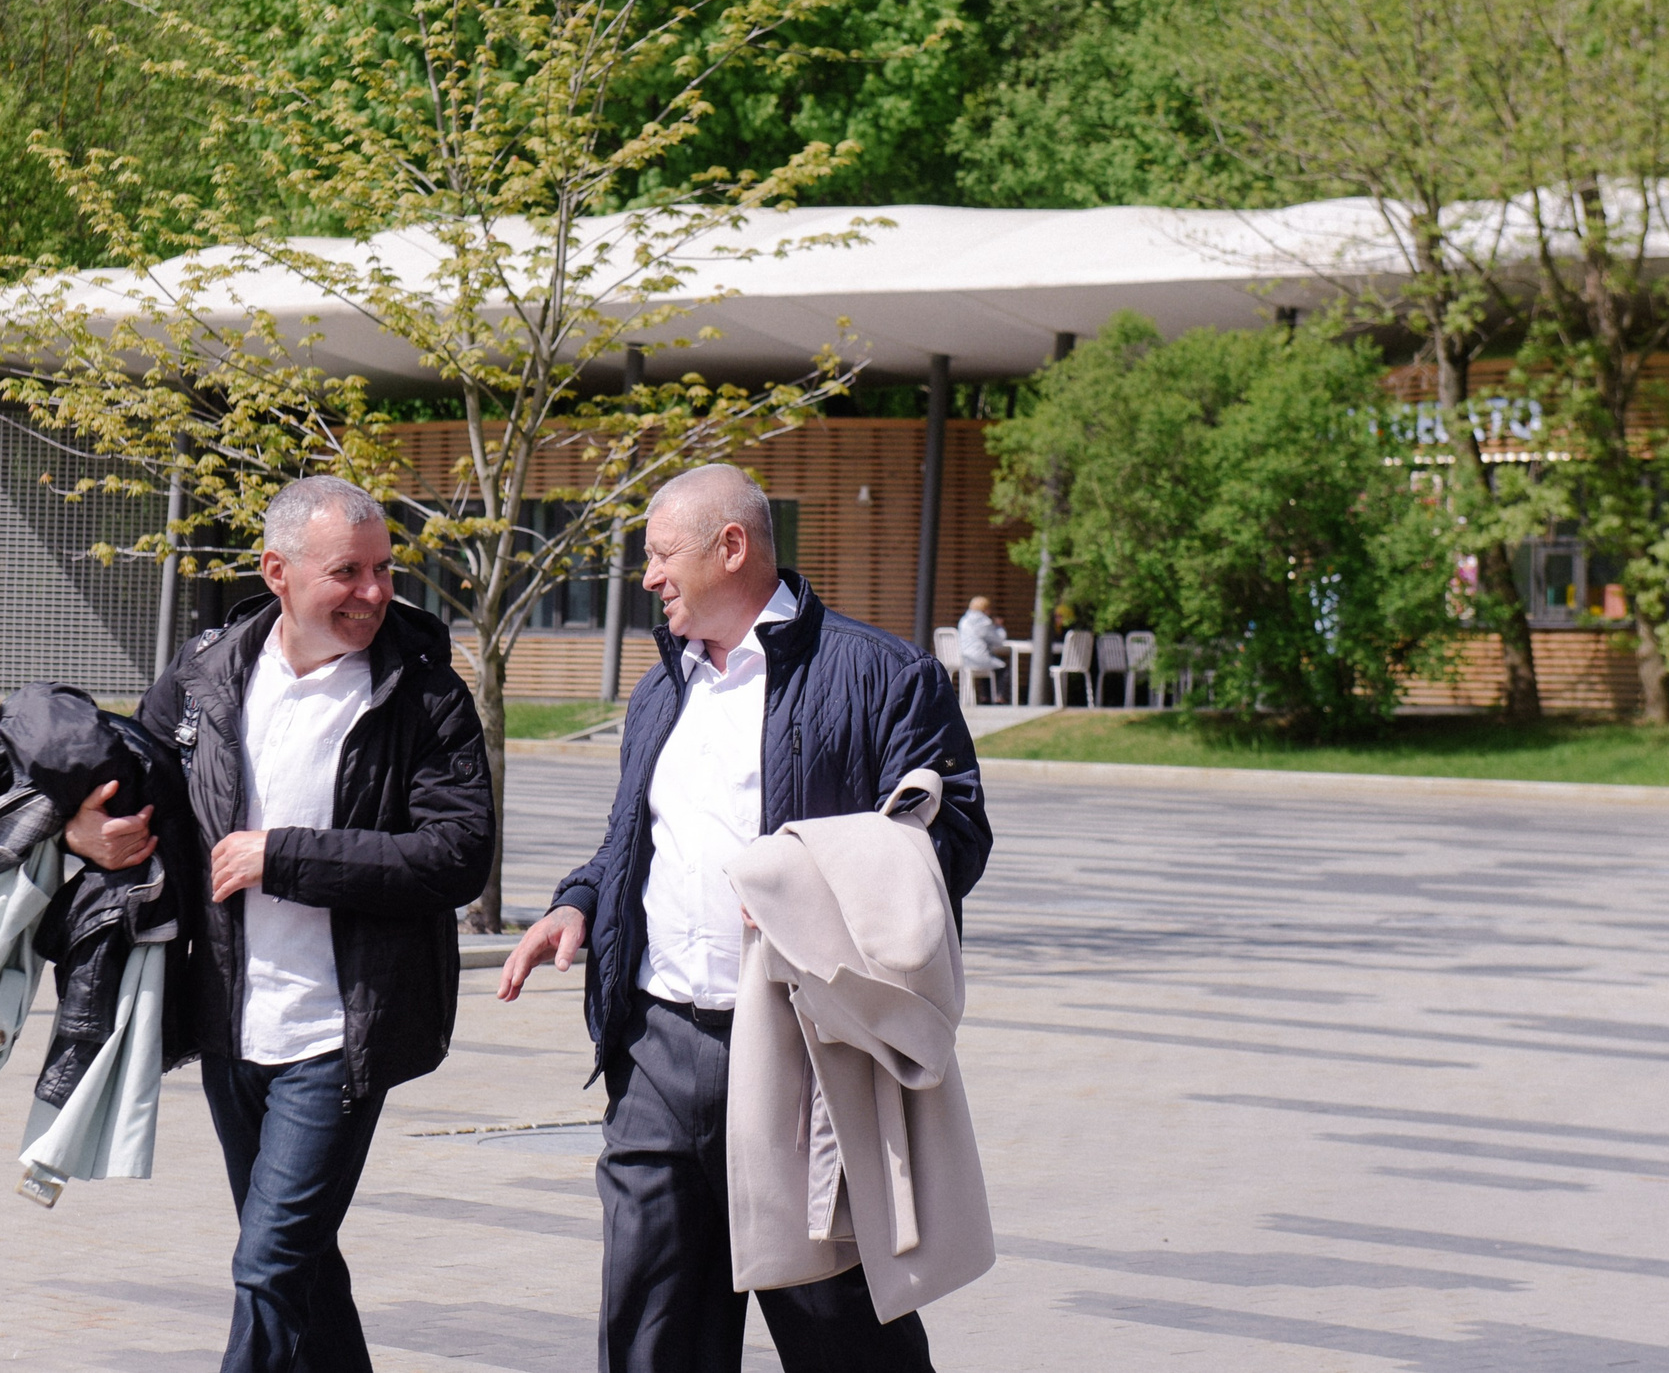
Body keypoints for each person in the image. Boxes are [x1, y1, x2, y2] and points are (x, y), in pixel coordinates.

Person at [497, 463, 993, 1373]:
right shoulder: (661, 690)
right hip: (657, 1047)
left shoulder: (882, 674)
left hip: (804, 1052)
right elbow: (629, 841)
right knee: (650, 1330)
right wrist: (577, 900)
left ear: (732, 548)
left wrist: (802, 878)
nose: (645, 576)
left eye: (659, 553)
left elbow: (953, 834)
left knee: (837, 1324)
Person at [66, 475, 494, 1373]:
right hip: (231, 1028)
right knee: (302, 1264)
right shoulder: (205, 675)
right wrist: (87, 830)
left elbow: (458, 855)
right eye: (349, 571)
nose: (375, 592)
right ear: (278, 572)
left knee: (266, 1265)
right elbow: (136, 789)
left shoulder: (425, 693)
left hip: (342, 1031)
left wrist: (284, 856)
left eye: (383, 569)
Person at [956, 594, 1007, 705]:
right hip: (978, 657)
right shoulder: (984, 622)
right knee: (1001, 667)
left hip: (963, 658)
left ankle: (985, 696)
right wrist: (999, 627)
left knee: (989, 665)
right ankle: (999, 696)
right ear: (985, 609)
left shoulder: (964, 620)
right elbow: (998, 641)